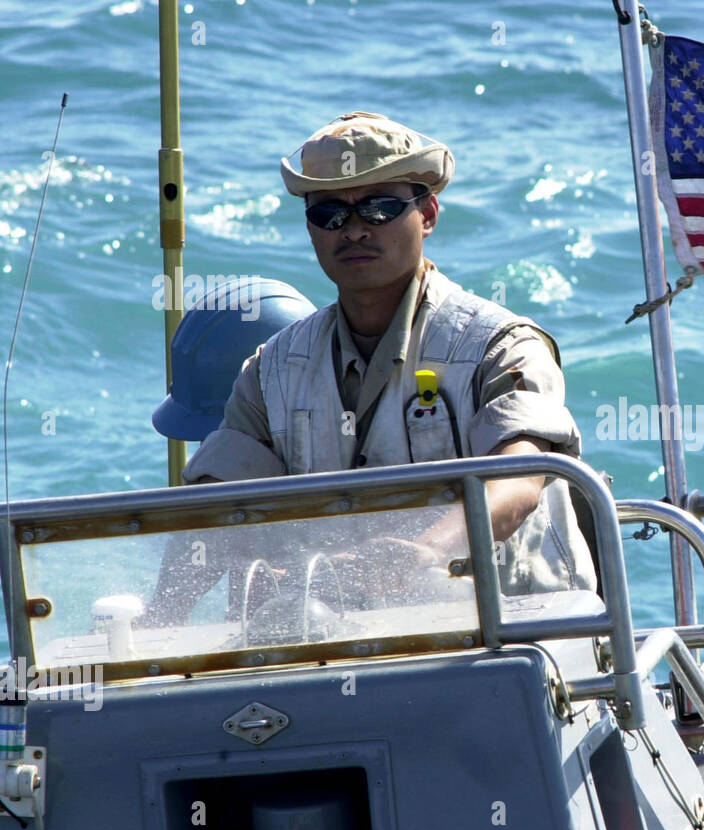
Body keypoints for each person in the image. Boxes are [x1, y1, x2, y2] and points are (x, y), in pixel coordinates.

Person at [145, 112, 595, 624]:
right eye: (330, 214)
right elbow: (217, 506)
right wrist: (160, 612)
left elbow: (518, 480)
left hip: (516, 637)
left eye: (380, 209)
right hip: (340, 647)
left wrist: (429, 551)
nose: (354, 230)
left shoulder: (502, 346)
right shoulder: (270, 371)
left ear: (427, 214)